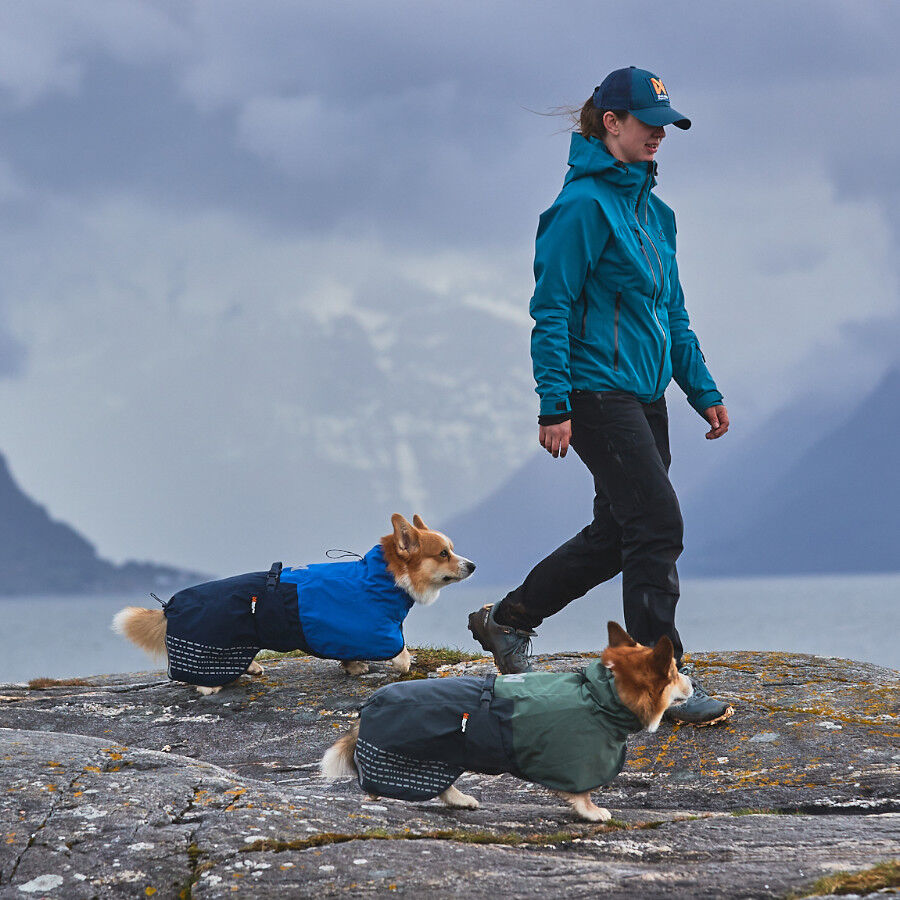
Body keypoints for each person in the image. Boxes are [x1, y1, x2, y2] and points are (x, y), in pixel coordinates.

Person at [468, 67, 733, 725]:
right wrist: (553, 402)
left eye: (665, 125)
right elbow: (550, 307)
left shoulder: (656, 214)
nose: (659, 135)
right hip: (593, 395)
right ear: (610, 123)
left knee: (619, 533)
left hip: (645, 395)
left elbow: (672, 311)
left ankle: (509, 620)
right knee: (657, 525)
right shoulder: (580, 208)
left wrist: (701, 388)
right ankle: (653, 678)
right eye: (648, 123)